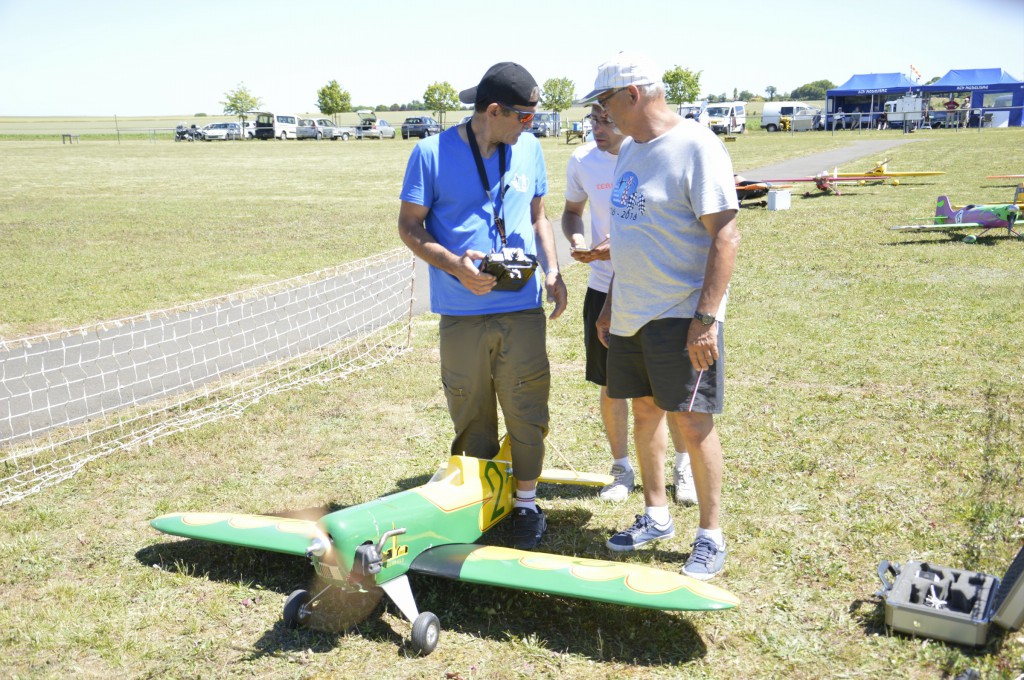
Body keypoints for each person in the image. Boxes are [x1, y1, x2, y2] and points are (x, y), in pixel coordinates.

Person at [581, 52, 740, 580]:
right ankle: (655, 516)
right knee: (645, 414)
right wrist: (609, 305)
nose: (602, 116)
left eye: (604, 103)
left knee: (692, 425)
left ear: (633, 94)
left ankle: (711, 536)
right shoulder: (630, 151)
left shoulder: (696, 146)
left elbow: (725, 234)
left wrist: (706, 318)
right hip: (630, 313)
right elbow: (631, 235)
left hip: (680, 315)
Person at [397, 62, 568, 550]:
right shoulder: (430, 153)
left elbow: (538, 216)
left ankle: (527, 505)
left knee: (527, 403)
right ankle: (479, 501)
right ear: (494, 111)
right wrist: (455, 265)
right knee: (470, 409)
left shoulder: (529, 150)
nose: (531, 126)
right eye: (525, 117)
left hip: (521, 306)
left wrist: (553, 271)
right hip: (460, 310)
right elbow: (410, 227)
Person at [561, 107, 696, 505]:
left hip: (654, 290)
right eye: (593, 121)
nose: (597, 129)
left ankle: (683, 467)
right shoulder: (582, 161)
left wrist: (615, 248)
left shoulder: (653, 155)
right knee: (612, 385)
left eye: (606, 120)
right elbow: (571, 213)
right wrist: (578, 242)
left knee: (667, 387)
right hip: (603, 290)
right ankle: (621, 469)